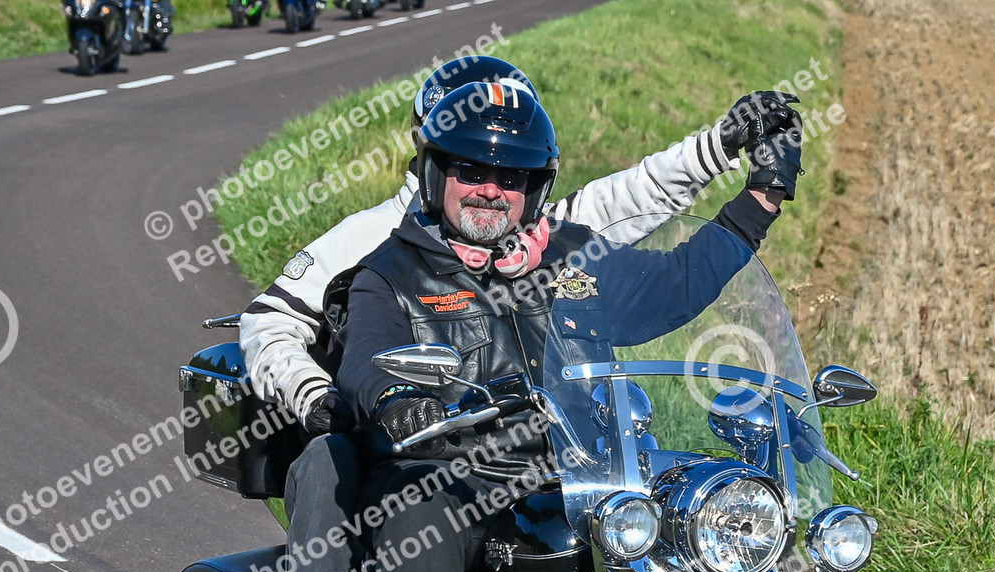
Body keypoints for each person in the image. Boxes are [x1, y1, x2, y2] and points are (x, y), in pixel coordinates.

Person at [279, 80, 800, 572]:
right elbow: (366, 357)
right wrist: (398, 397)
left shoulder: (572, 260)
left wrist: (762, 199)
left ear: (536, 187)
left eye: (512, 177)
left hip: (573, 478)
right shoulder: (390, 273)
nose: (491, 190)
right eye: (472, 170)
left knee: (701, 526)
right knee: (420, 523)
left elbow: (677, 284)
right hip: (452, 474)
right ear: (435, 173)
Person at [238, 54, 798, 434]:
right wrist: (318, 395)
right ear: (431, 147)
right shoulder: (374, 247)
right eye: (471, 160)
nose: (492, 181)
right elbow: (270, 321)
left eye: (512, 163)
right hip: (432, 463)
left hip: (567, 465)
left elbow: (626, 204)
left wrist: (727, 149)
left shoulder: (540, 235)